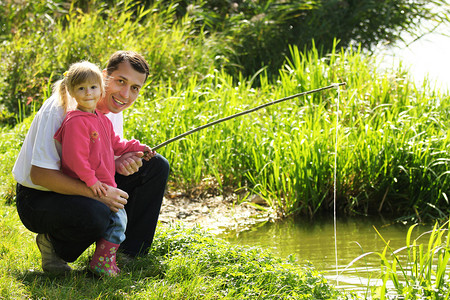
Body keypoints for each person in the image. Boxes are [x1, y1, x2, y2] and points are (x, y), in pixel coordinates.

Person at [13, 51, 170, 275]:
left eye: (135, 88)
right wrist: (99, 193)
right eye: (121, 82)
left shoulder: (112, 109)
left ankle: (125, 254)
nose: (126, 94)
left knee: (155, 166)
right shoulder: (61, 108)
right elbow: (40, 175)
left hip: (86, 181)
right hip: (39, 196)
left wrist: (119, 162)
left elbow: (100, 154)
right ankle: (53, 245)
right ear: (104, 76)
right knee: (97, 212)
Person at [52, 61, 156, 276]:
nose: (88, 93)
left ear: (100, 87)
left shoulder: (103, 119)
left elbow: (117, 144)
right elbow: (75, 159)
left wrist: (137, 147)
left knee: (118, 220)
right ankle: (100, 262)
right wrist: (92, 182)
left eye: (92, 88)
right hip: (83, 186)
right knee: (116, 221)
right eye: (81, 88)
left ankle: (105, 259)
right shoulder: (75, 121)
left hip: (104, 183)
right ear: (71, 91)